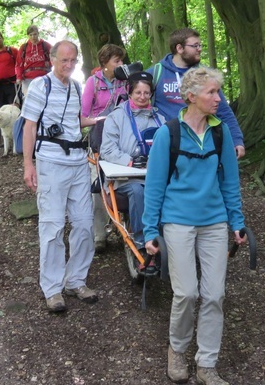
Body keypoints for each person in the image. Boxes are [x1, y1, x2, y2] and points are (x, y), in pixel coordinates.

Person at [143, 67, 246, 385]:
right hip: (178, 223)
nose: (219, 98)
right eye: (212, 93)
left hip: (214, 222)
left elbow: (230, 180)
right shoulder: (168, 133)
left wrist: (237, 222)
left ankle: (207, 365)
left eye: (219, 92)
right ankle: (177, 351)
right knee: (186, 293)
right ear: (191, 97)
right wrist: (150, 230)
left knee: (214, 295)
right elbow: (154, 185)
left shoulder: (221, 132)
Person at [21, 40, 103, 313]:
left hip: (79, 162)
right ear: (53, 59)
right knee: (53, 226)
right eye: (64, 60)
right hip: (51, 163)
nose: (69, 65)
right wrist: (28, 165)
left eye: (73, 61)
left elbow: (75, 121)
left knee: (83, 224)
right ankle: (53, 289)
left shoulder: (76, 86)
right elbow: (30, 126)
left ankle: (76, 280)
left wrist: (101, 120)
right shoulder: (39, 86)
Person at [147, 28, 245, 159]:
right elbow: (135, 103)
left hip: (202, 142)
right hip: (167, 142)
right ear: (179, 48)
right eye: (195, 46)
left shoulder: (205, 75)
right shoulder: (155, 73)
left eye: (200, 45)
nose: (199, 49)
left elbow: (223, 109)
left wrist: (236, 139)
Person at [100, 71, 165, 252]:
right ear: (130, 93)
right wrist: (129, 161)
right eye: (138, 93)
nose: (142, 97)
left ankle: (171, 237)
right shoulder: (116, 117)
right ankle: (141, 241)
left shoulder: (160, 119)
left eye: (146, 93)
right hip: (125, 179)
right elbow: (107, 149)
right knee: (138, 191)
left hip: (154, 175)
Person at [82, 44, 130, 253]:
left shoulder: (126, 81)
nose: (121, 64)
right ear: (105, 63)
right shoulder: (92, 83)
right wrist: (102, 119)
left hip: (123, 138)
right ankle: (99, 234)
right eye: (116, 61)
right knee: (98, 185)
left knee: (125, 181)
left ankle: (124, 227)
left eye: (122, 60)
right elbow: (83, 119)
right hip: (99, 138)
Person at [16, 25, 52, 98]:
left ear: (38, 34)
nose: (33, 37)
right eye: (30, 35)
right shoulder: (24, 47)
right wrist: (19, 77)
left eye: (35, 34)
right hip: (28, 78)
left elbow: (56, 57)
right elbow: (19, 64)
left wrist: (50, 63)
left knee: (45, 99)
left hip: (44, 77)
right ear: (28, 35)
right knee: (28, 100)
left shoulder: (45, 45)